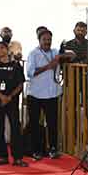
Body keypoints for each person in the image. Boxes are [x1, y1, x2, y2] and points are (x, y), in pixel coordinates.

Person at [25, 28, 64, 159]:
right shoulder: (33, 54)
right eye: (44, 39)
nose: (47, 42)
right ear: (39, 40)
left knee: (52, 123)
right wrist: (48, 66)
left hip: (52, 93)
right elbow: (30, 73)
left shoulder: (55, 52)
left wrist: (62, 55)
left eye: (49, 39)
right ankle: (36, 150)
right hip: (35, 94)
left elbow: (72, 55)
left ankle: (53, 148)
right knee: (34, 124)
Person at [0, 42, 28, 167]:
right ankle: (2, 156)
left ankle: (17, 158)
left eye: (1, 48)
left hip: (12, 101)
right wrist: (1, 97)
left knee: (15, 128)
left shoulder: (16, 66)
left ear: (7, 49)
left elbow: (20, 85)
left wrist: (9, 97)